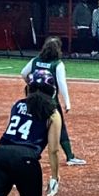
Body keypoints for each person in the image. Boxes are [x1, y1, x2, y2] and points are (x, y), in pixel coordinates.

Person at [21, 36, 86, 166]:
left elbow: (23, 73)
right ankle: (70, 156)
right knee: (59, 128)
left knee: (34, 126)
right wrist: (67, 102)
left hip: (33, 100)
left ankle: (28, 153)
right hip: (50, 101)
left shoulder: (35, 61)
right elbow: (62, 84)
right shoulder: (57, 64)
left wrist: (31, 85)